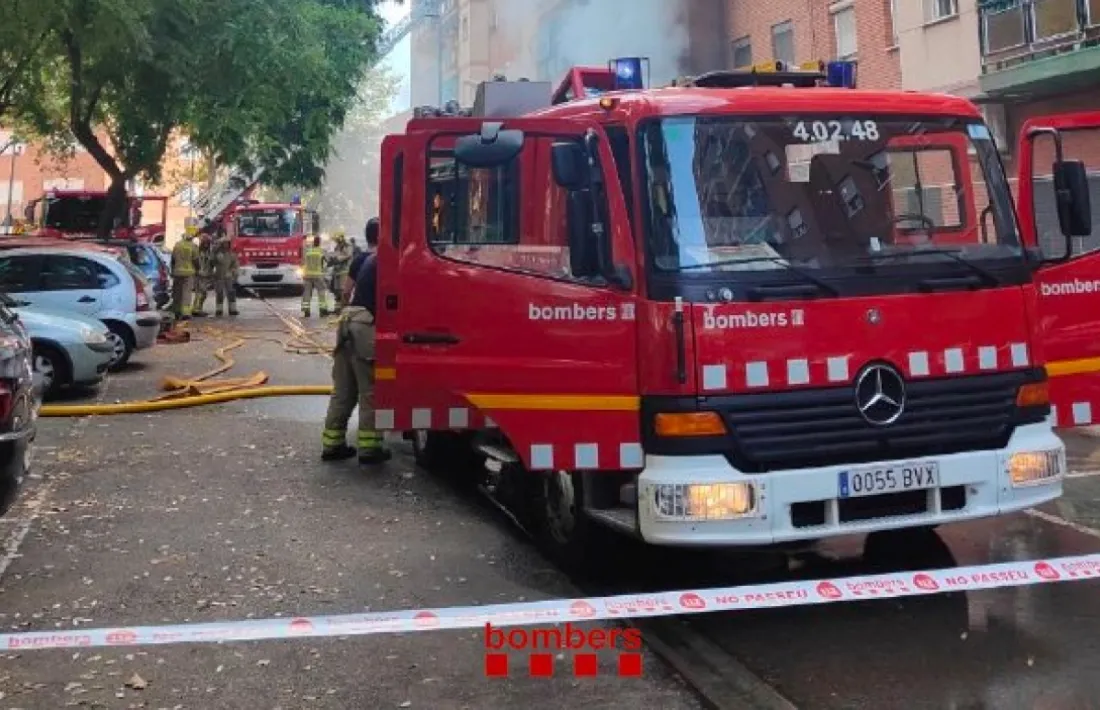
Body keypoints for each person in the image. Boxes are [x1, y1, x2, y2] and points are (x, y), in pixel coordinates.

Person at [321, 215, 389, 465]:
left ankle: (332, 445)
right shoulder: (385, 259)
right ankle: (370, 449)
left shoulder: (363, 259)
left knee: (344, 389)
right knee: (370, 390)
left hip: (347, 323)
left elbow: (347, 291)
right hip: (364, 327)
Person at [170, 223, 199, 320]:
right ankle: (185, 312)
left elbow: (173, 259)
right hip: (188, 273)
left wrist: (172, 270)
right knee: (186, 292)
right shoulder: (193, 246)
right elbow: (196, 260)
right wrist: (198, 269)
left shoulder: (177, 245)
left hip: (177, 272)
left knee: (177, 292)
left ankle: (176, 311)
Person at [301, 235, 330, 318]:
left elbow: (303, 261)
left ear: (313, 242)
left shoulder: (308, 251)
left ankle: (306, 311)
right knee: (321, 292)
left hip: (307, 275)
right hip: (317, 275)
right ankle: (323, 310)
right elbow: (328, 261)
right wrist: (325, 270)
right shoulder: (322, 251)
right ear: (319, 242)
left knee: (306, 293)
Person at [212, 235, 240, 316]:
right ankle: (219, 309)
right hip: (219, 276)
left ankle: (232, 309)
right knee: (219, 293)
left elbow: (235, 264)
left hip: (229, 276)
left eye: (227, 243)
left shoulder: (232, 254)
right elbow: (212, 262)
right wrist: (214, 252)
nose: (226, 245)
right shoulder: (217, 254)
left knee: (231, 293)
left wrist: (234, 273)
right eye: (224, 243)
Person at [327, 230, 354, 310]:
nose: (336, 241)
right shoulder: (337, 247)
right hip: (336, 272)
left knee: (343, 291)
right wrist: (331, 260)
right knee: (336, 291)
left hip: (344, 271)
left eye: (337, 240)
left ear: (341, 238)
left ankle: (344, 308)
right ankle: (338, 309)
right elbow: (335, 255)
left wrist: (339, 259)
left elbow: (349, 255)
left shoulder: (347, 246)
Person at [191, 233, 215, 317]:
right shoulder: (197, 251)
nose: (206, 245)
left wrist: (211, 273)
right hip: (198, 275)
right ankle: (196, 309)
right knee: (200, 292)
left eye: (207, 243)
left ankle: (199, 308)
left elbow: (210, 263)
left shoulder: (208, 252)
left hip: (205, 275)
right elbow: (195, 262)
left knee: (203, 293)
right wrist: (197, 271)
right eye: (205, 243)